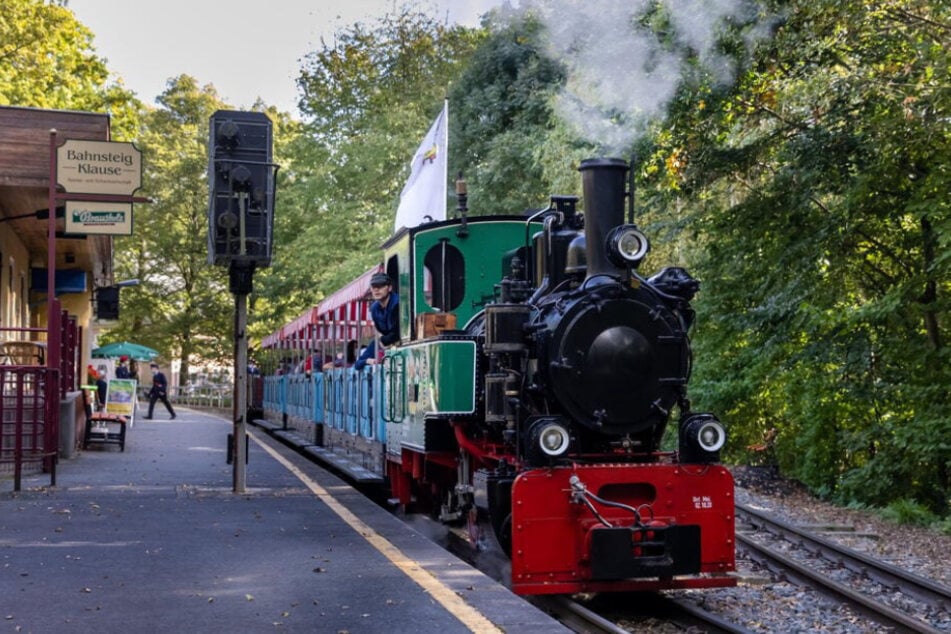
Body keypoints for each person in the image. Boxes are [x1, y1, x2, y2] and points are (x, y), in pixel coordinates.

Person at [354, 273, 400, 371]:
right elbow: (357, 364)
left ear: (389, 288)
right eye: (373, 286)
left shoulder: (398, 303)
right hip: (387, 342)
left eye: (380, 286)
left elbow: (398, 332)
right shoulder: (374, 308)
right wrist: (368, 361)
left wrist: (384, 341)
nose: (376, 289)